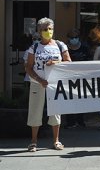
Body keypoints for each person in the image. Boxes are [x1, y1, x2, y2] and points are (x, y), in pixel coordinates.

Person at [24, 18, 70, 152]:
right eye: (45, 29)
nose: (48, 31)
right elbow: (28, 67)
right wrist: (39, 80)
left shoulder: (60, 45)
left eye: (50, 29)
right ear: (39, 31)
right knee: (35, 111)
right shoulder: (35, 47)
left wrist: (55, 63)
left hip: (55, 85)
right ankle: (33, 141)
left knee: (56, 112)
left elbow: (68, 62)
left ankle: (56, 141)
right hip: (38, 84)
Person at [64, 28, 89, 129]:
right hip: (68, 78)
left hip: (82, 78)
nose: (74, 39)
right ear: (68, 38)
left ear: (79, 38)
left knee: (81, 100)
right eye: (72, 37)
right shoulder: (64, 49)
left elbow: (89, 62)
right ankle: (70, 122)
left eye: (76, 37)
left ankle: (80, 121)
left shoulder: (85, 48)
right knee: (69, 100)